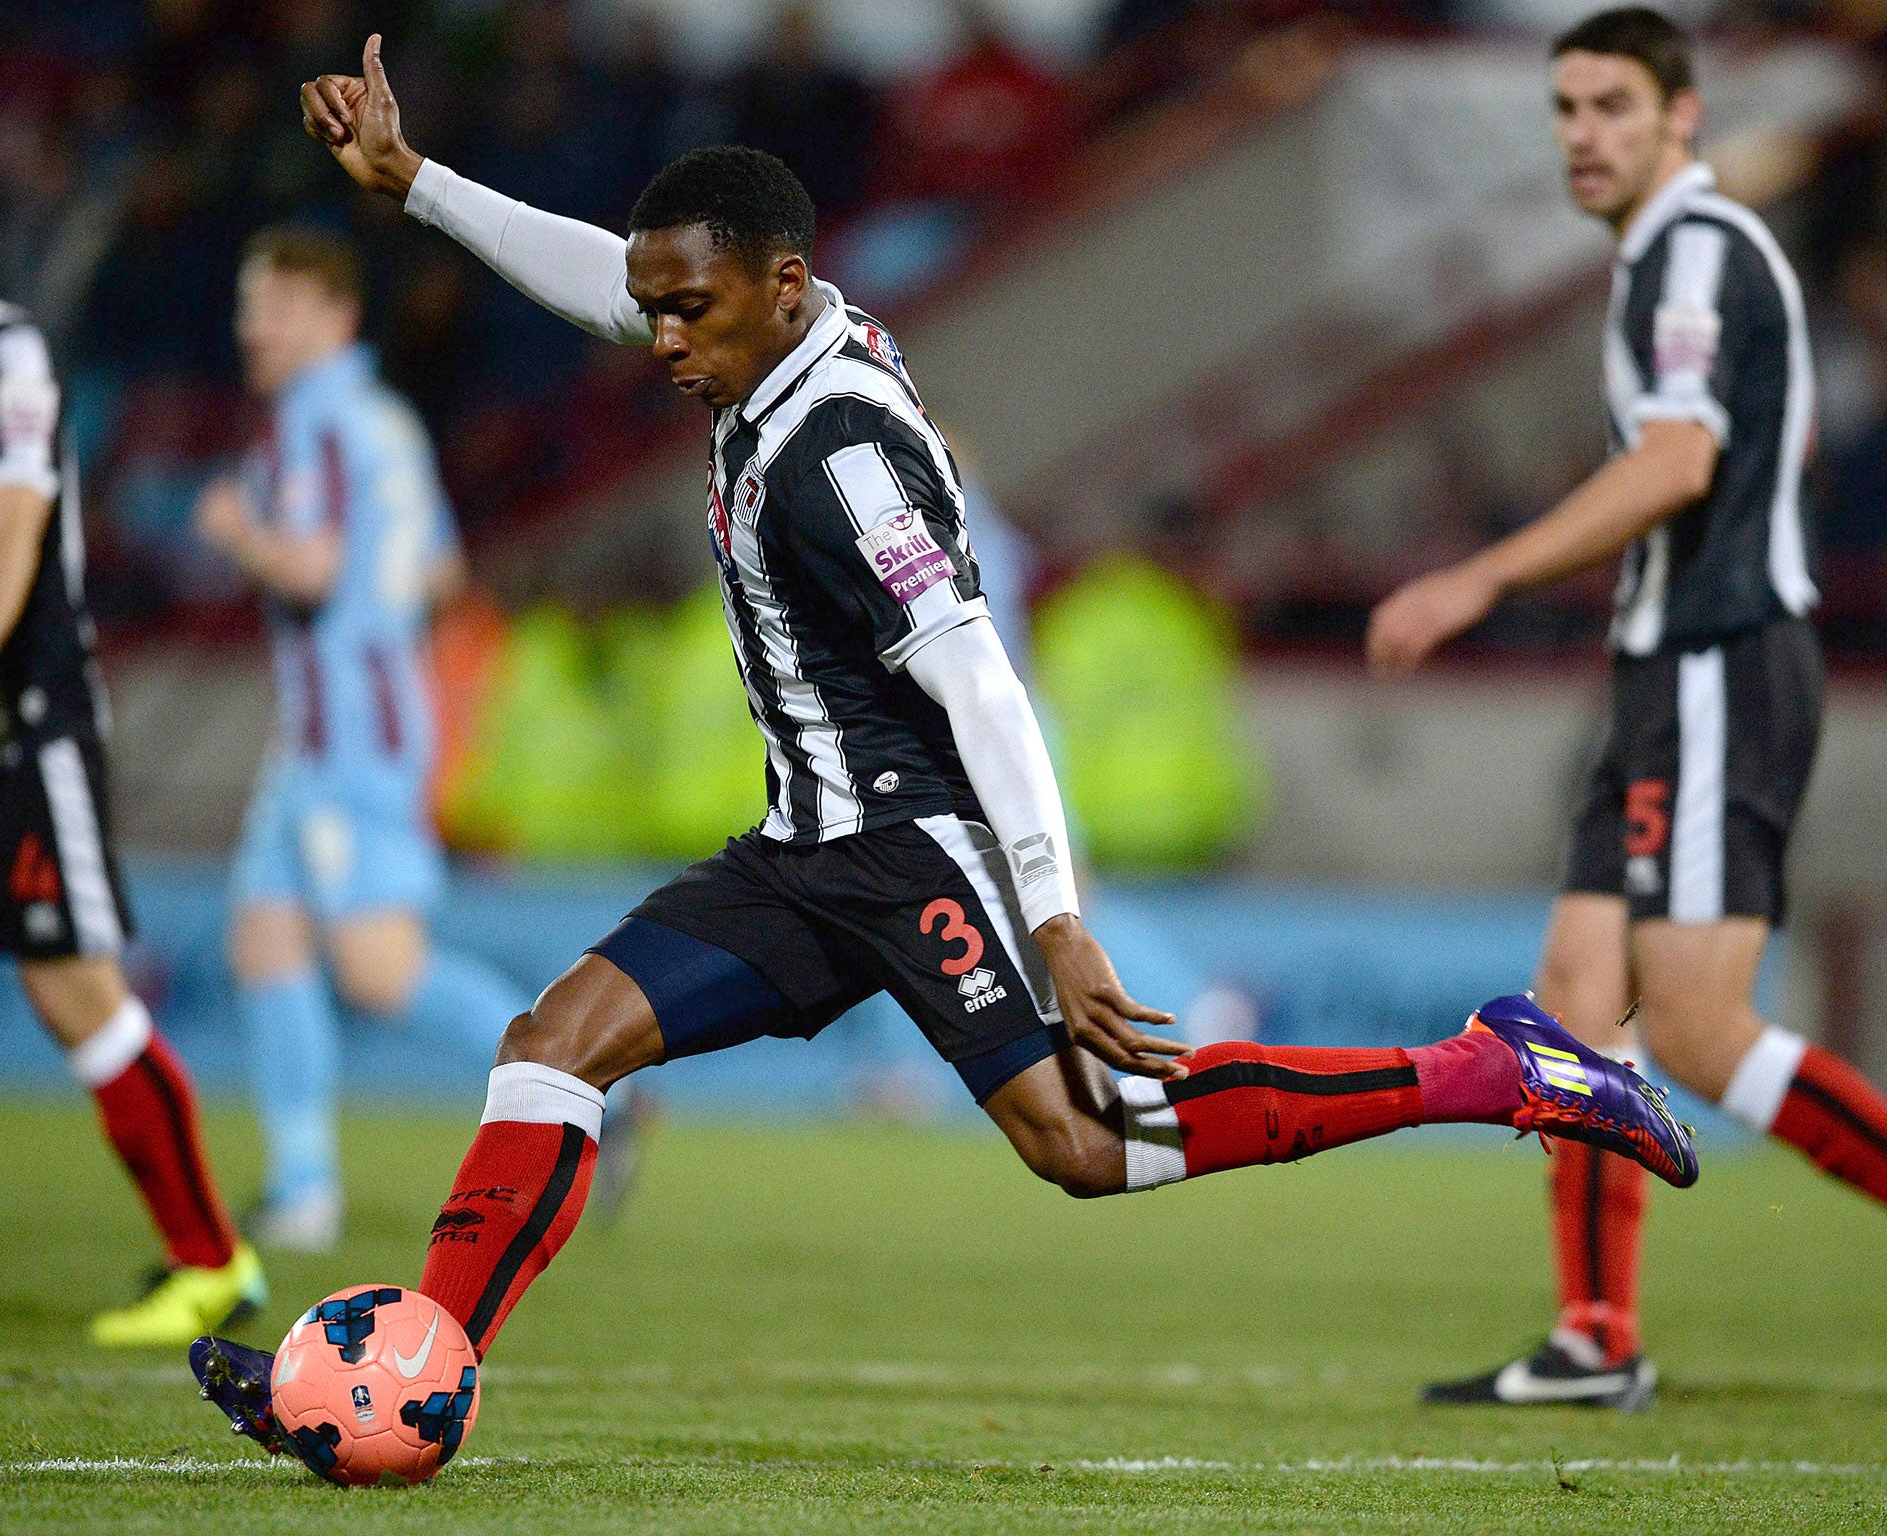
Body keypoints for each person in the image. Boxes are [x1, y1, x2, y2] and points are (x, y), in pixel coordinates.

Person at [196, 37, 1698, 1441]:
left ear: (782, 287)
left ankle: (1492, 1069)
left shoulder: (842, 459)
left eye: (685, 312)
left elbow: (985, 686)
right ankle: (409, 1381)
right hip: (803, 849)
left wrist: (1055, 916)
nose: (656, 338)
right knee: (551, 1049)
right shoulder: (759, 331)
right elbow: (618, 276)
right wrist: (422, 186)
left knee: (1087, 1147)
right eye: (654, 309)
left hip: (916, 845)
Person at [1368, 8, 1887, 1409]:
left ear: (1682, 116)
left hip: (1722, 661)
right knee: (1579, 1017)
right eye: (1567, 108)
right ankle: (1598, 1337)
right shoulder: (1666, 256)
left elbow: (1672, 464)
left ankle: (1601, 1333)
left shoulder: (1696, 254)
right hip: (1669, 673)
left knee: (1704, 1031)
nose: (1583, 135)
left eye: (1612, 105)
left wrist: (1476, 574)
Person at [0, 124, 263, 1345]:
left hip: (18, 726)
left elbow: (13, 527)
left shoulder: (2, 358)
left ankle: (211, 1262)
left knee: (77, 997)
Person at [195, 226, 540, 1252]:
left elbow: (310, 570)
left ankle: (575, 1079)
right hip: (335, 734)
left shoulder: (314, 422)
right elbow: (439, 576)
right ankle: (303, 1188)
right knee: (262, 935)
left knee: (378, 969)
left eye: (281, 306)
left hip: (347, 740)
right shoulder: (387, 422)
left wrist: (233, 533)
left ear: (336, 318)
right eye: (252, 303)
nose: (256, 325)